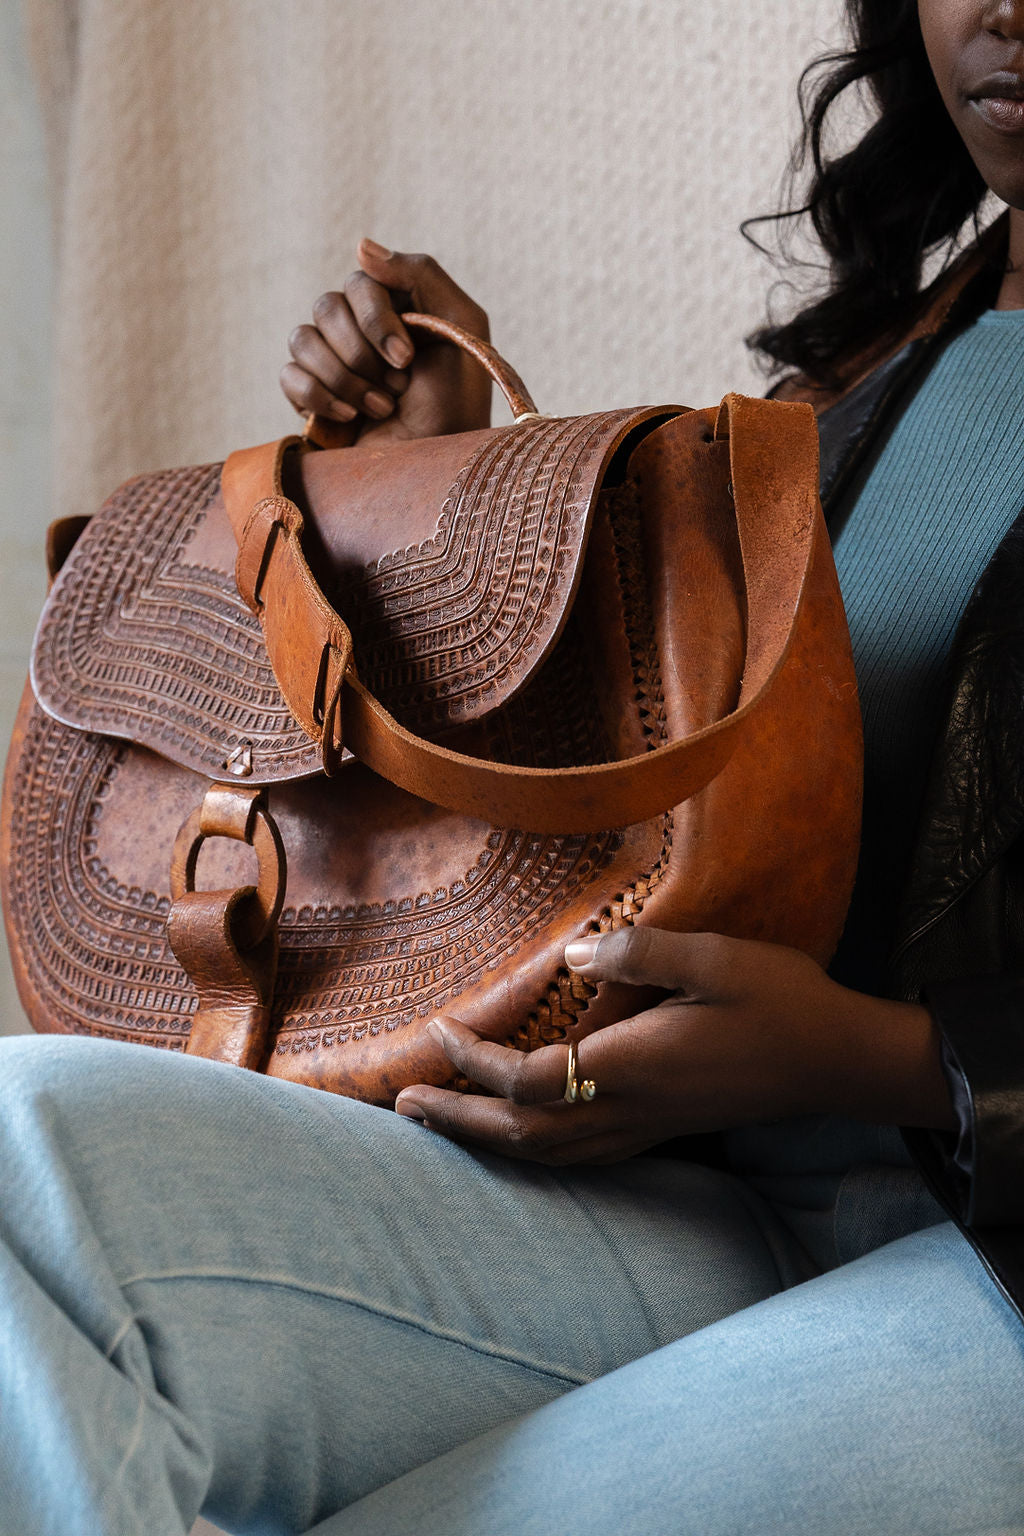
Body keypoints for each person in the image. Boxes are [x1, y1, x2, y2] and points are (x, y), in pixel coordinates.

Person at [4, 0, 1024, 1531]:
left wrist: (867, 1058)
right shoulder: (880, 372)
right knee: (20, 1150)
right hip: (701, 1196)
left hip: (986, 1267)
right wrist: (447, 489)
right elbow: (695, 807)